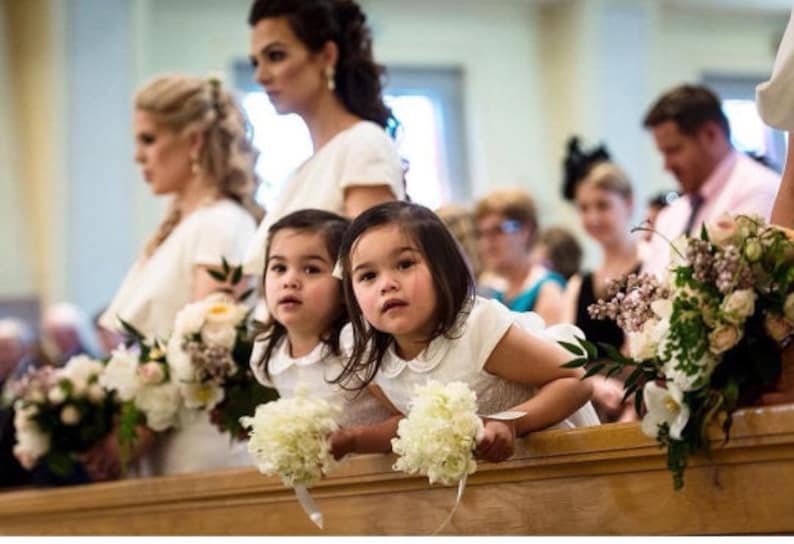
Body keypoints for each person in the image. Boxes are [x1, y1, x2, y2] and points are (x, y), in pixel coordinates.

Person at [329, 202, 598, 462]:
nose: (386, 284)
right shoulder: (368, 353)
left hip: (552, 459)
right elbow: (409, 421)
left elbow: (577, 381)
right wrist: (354, 439)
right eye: (368, 276)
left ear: (443, 268)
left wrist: (510, 424)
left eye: (404, 264)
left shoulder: (476, 330)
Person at [99, 74, 263, 477]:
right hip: (165, 444)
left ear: (193, 141)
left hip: (201, 451)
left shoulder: (220, 224)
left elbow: (206, 347)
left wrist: (130, 437)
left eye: (149, 139)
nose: (138, 156)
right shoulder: (179, 228)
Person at [242, 0, 405, 277]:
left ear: (326, 56)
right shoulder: (302, 172)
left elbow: (374, 271)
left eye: (276, 56)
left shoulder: (362, 143)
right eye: (256, 62)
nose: (261, 76)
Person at [251, 209, 389, 426]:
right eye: (279, 267)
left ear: (345, 286)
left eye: (311, 269)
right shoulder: (269, 350)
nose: (290, 281)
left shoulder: (356, 345)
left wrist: (355, 441)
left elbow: (403, 418)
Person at [641, 84, 780, 278]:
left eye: (673, 150)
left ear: (710, 134)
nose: (666, 166)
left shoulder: (760, 191)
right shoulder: (671, 215)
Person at [559, 140, 642, 422]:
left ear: (628, 203)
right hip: (594, 408)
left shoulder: (651, 267)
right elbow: (565, 357)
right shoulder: (577, 285)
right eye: (584, 208)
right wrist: (594, 384)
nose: (592, 217)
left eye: (602, 205)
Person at [475, 188, 565, 324]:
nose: (487, 242)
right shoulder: (498, 292)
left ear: (526, 230)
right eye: (482, 233)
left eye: (498, 230)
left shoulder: (548, 290)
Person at [0, 319, 34, 489]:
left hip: (24, 472)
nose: (1, 355)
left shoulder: (34, 378)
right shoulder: (3, 381)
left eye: (6, 349)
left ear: (24, 349)